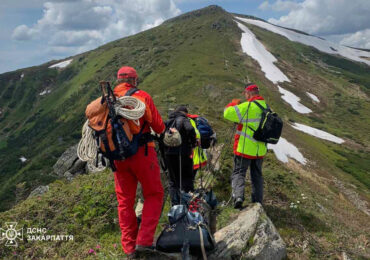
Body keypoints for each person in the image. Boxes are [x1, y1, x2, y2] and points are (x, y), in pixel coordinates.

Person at [112, 66, 165, 257]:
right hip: (142, 153)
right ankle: (144, 241)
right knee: (154, 193)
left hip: (118, 157)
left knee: (125, 201)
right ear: (134, 80)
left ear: (118, 80)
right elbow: (159, 126)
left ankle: (129, 248)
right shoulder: (142, 96)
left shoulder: (108, 99)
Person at [223, 83, 268, 209]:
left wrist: (233, 103)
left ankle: (238, 197)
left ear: (248, 93)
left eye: (245, 94)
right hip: (260, 150)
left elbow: (227, 113)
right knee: (257, 175)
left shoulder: (247, 106)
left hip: (245, 148)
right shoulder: (266, 107)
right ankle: (257, 202)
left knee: (239, 172)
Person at [164, 106, 197, 206]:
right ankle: (188, 203)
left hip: (169, 154)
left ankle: (175, 205)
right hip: (183, 153)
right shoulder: (184, 119)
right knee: (186, 178)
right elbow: (190, 129)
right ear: (185, 113)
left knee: (173, 181)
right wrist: (193, 143)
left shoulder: (168, 121)